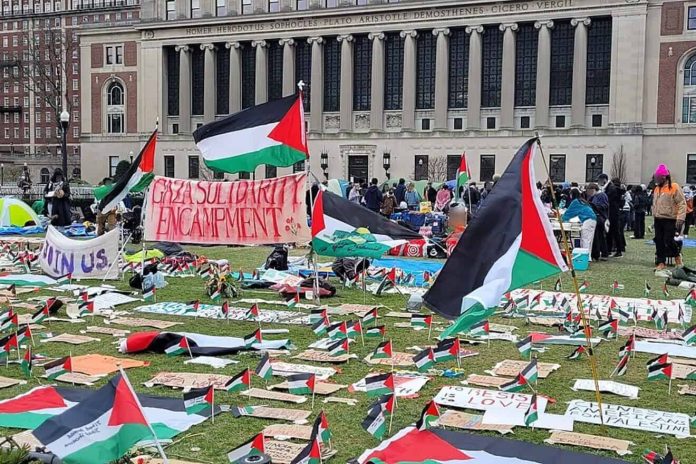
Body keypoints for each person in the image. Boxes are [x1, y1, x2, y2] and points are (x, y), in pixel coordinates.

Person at [652, 164, 687, 270]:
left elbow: (682, 203)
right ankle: (661, 262)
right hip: (658, 218)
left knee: (668, 240)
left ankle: (677, 256)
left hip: (670, 219)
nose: (656, 179)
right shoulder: (657, 189)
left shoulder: (674, 187)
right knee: (658, 240)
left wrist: (680, 218)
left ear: (664, 177)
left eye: (658, 177)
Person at [586, 183, 609, 261]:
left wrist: (595, 206)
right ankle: (597, 253)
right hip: (596, 218)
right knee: (597, 237)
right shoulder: (594, 196)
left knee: (600, 237)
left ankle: (603, 253)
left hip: (600, 218)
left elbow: (605, 206)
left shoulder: (602, 195)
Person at [605, 177, 626, 257]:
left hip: (612, 212)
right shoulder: (619, 191)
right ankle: (618, 249)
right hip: (616, 212)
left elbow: (608, 198)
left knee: (610, 232)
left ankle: (610, 249)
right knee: (616, 232)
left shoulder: (612, 190)